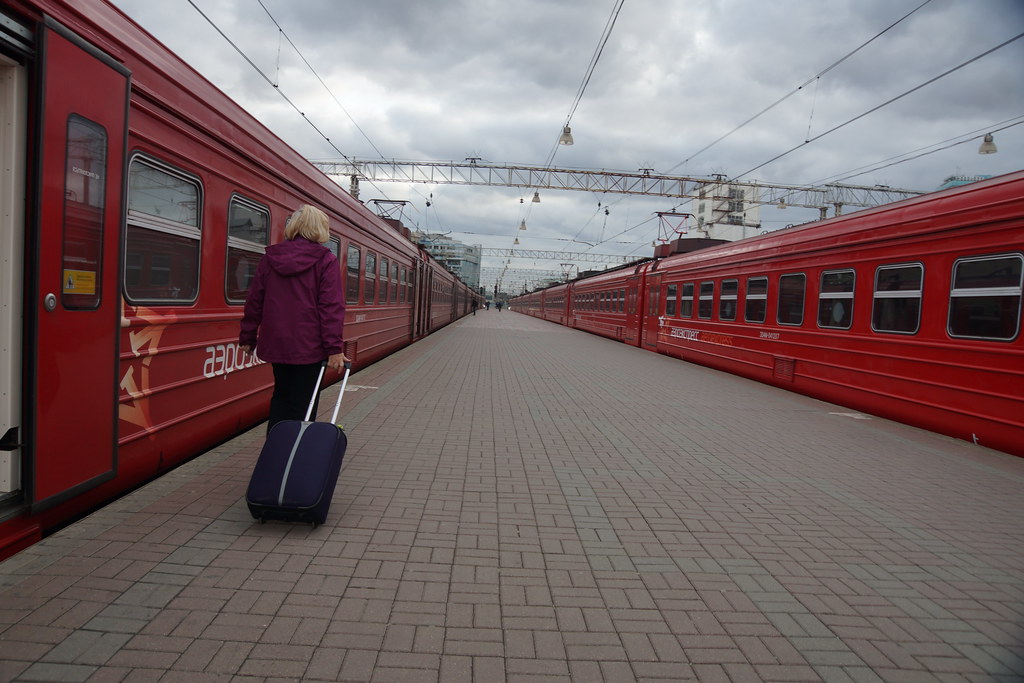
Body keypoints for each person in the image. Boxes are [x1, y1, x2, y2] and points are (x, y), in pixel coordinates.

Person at [239, 204, 349, 433]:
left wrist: (248, 337)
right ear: (320, 228)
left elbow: (254, 300)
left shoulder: (270, 258)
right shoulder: (325, 260)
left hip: (277, 344)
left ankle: (275, 454)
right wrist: (334, 349)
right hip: (309, 347)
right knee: (304, 405)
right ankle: (294, 458)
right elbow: (330, 307)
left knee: (280, 398)